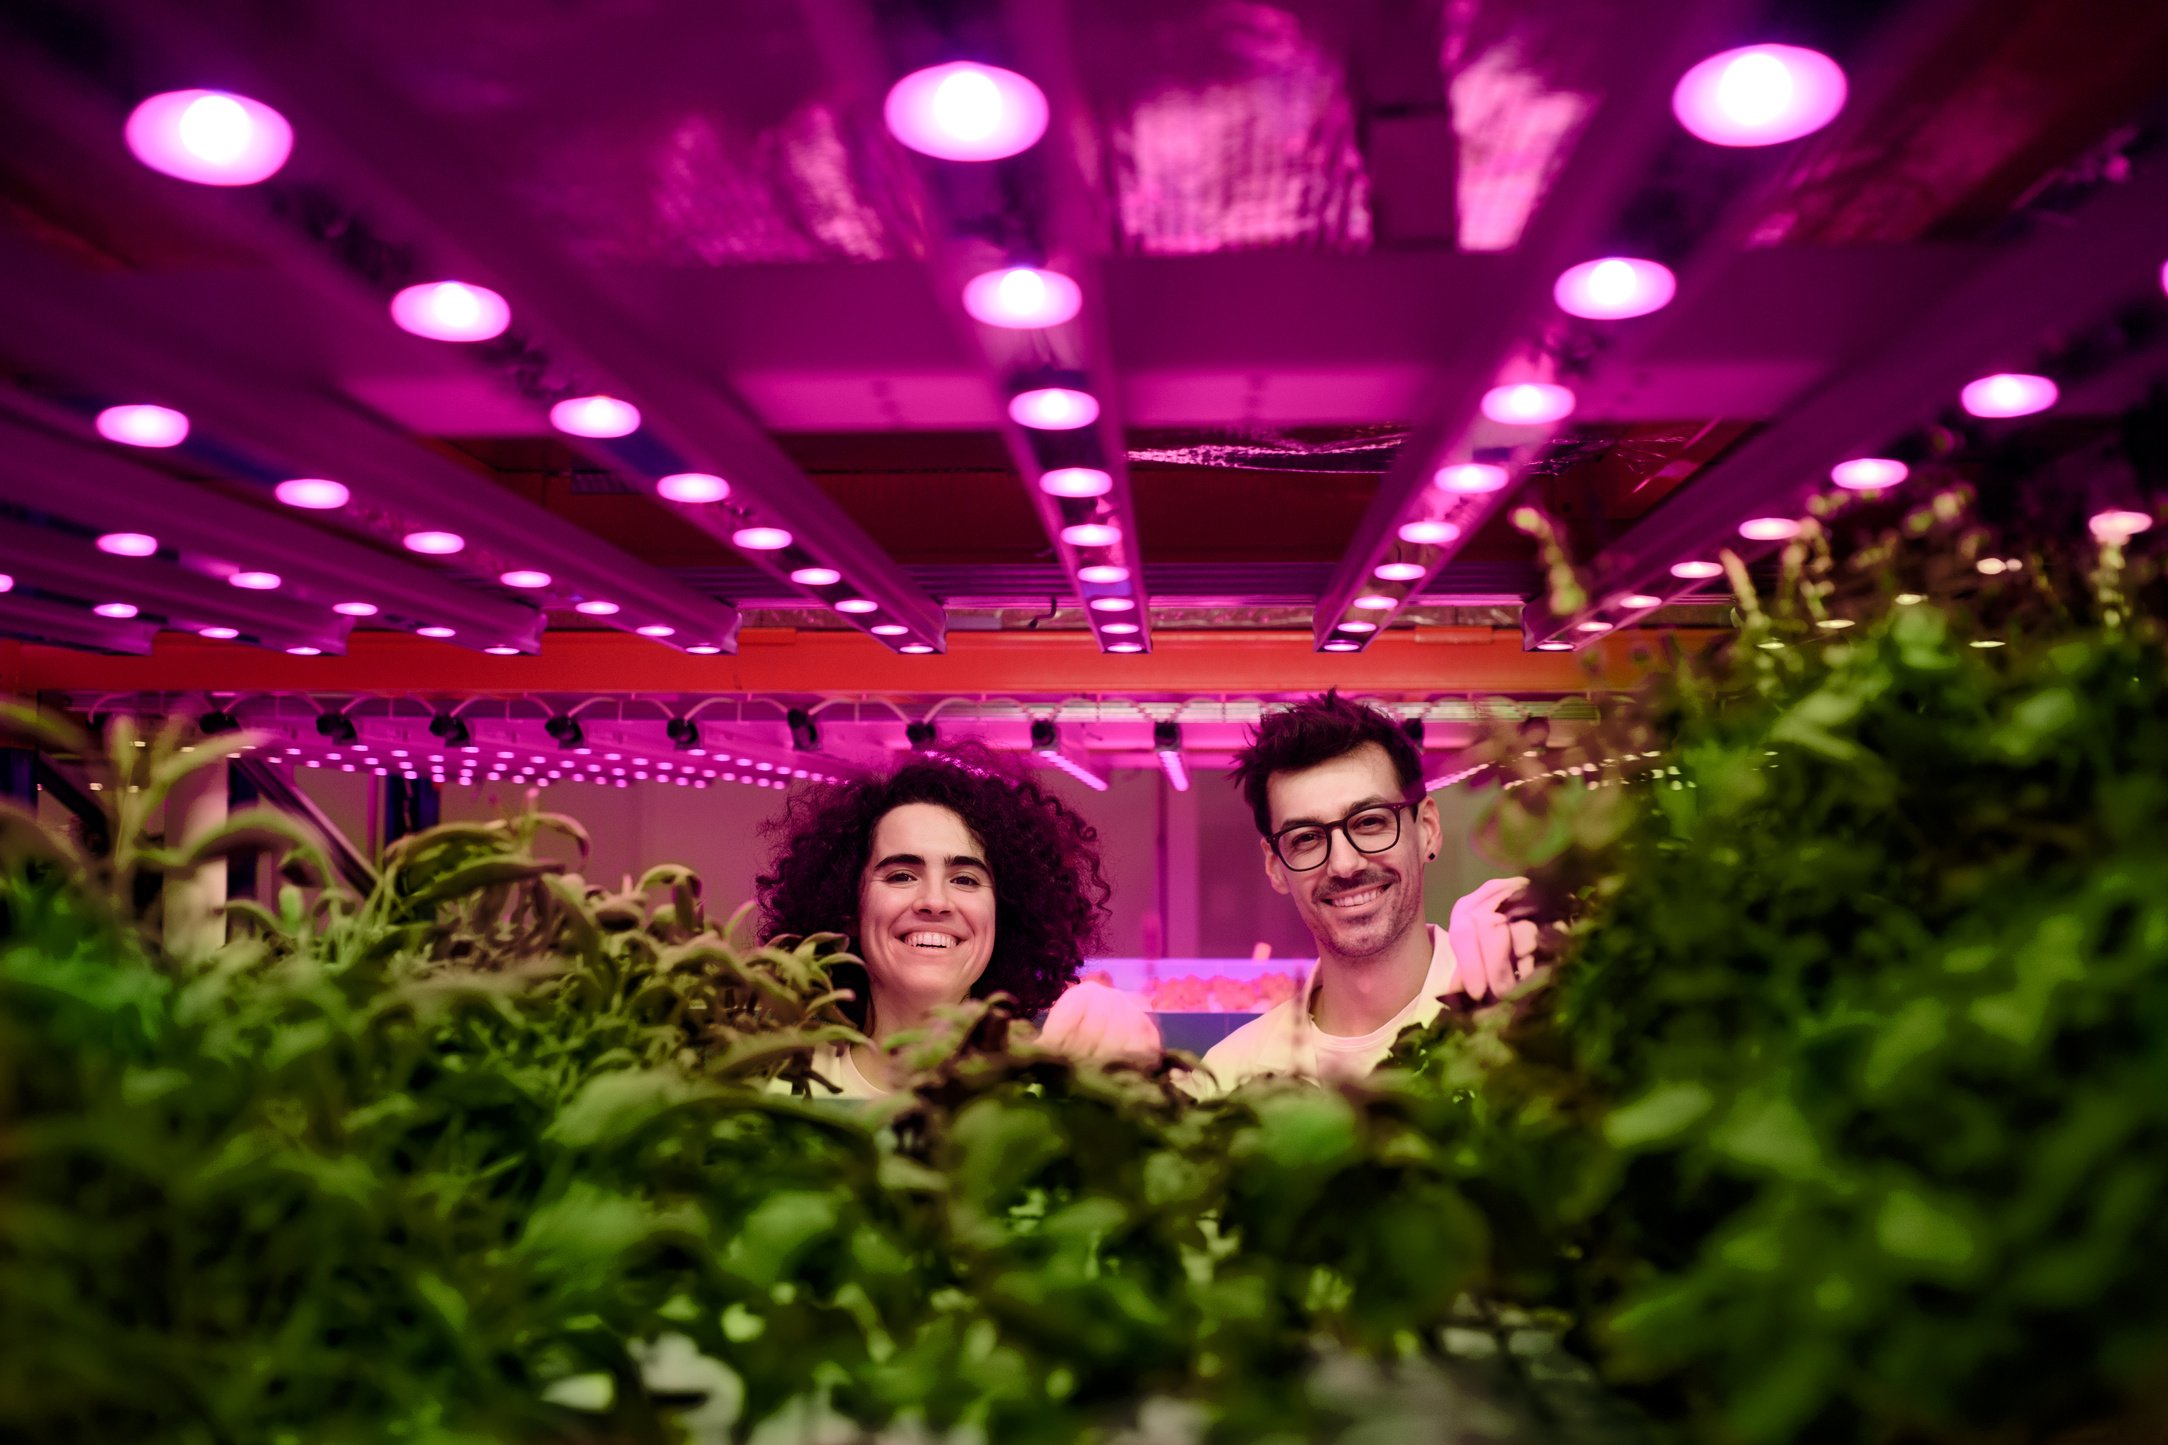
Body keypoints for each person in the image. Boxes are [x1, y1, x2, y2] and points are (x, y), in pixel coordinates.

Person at [757, 745, 1160, 1098]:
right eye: (902, 875)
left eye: (965, 880)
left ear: (1005, 916)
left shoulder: (1046, 1091)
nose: (934, 901)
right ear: (848, 907)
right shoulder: (780, 1090)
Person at [1197, 691, 1537, 1092]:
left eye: (1370, 823)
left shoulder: (1520, 1018)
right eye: (1306, 838)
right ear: (1275, 865)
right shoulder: (1226, 1078)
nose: (1344, 865)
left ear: (1427, 828)